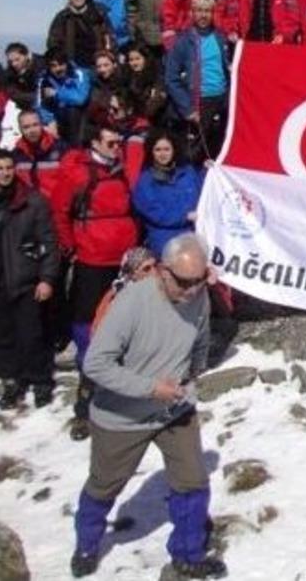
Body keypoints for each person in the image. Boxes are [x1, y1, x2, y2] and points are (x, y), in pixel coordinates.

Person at [71, 233, 226, 579]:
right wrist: (151, 388)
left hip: (175, 408)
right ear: (162, 271)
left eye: (199, 280)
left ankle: (188, 554)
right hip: (122, 416)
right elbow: (96, 363)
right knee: (104, 485)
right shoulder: (131, 303)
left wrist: (194, 371)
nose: (191, 290)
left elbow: (200, 337)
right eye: (184, 282)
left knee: (192, 482)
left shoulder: (198, 294)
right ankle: (87, 544)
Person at [50, 123, 138, 440]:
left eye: (118, 143)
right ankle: (86, 399)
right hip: (92, 259)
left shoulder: (122, 171)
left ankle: (126, 393)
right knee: (87, 323)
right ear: (95, 144)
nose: (116, 147)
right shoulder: (78, 174)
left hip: (124, 260)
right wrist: (71, 247)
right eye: (111, 143)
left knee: (128, 324)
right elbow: (60, 211)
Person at [0, 147, 60, 409]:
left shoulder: (32, 201)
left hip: (26, 278)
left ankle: (41, 380)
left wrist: (47, 278)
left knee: (32, 334)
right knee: (3, 337)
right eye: (0, 169)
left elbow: (49, 241)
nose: (5, 173)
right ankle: (12, 380)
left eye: (8, 168)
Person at [165, 0, 231, 164]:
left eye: (207, 11)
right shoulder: (183, 41)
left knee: (218, 149)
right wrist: (187, 109)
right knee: (195, 152)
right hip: (198, 101)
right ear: (192, 13)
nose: (203, 15)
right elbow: (171, 78)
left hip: (221, 100)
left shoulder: (220, 37)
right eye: (199, 11)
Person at [132, 129, 203, 258]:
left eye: (166, 149)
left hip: (193, 238)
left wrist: (210, 171)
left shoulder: (188, 172)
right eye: (158, 150)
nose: (162, 154)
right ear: (151, 152)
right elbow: (154, 212)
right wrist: (184, 216)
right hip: (165, 242)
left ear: (174, 150)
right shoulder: (145, 181)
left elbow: (204, 192)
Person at [47, 0, 114, 69]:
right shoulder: (62, 17)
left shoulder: (98, 13)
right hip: (72, 65)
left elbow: (110, 36)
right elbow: (53, 43)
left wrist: (108, 55)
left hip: (98, 65)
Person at [35, 48, 92, 146]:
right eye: (53, 66)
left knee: (72, 110)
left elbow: (80, 99)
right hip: (57, 117)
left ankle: (76, 148)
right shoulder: (44, 79)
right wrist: (49, 120)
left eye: (61, 64)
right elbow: (39, 104)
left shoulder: (79, 73)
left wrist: (57, 94)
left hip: (81, 116)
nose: (58, 69)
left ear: (67, 62)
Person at [13, 109, 67, 199]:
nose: (32, 130)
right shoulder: (16, 154)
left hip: (55, 203)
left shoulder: (61, 149)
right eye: (26, 127)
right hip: (27, 204)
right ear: (20, 129)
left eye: (35, 125)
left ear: (41, 124)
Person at [123, 45, 168, 128]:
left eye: (138, 59)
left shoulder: (156, 77)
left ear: (145, 59)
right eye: (131, 60)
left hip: (159, 121)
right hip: (138, 122)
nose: (134, 63)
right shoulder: (128, 79)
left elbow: (155, 104)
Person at [3, 43, 44, 112]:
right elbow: (9, 89)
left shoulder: (41, 65)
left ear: (27, 55)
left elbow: (41, 94)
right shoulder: (11, 69)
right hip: (24, 107)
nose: (14, 64)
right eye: (10, 61)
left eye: (17, 59)